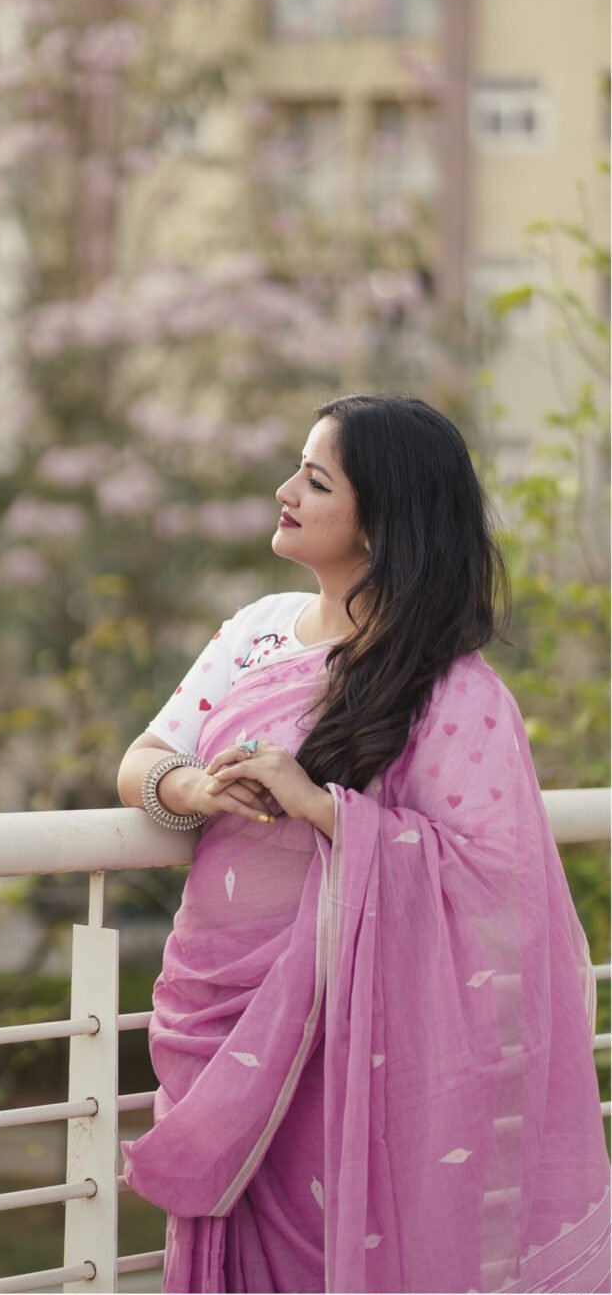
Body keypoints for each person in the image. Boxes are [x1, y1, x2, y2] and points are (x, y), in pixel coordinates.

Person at [115, 393, 610, 1294]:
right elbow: (144, 758)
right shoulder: (256, 632)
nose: (284, 491)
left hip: (349, 1037)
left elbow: (498, 878)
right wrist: (196, 788)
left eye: (315, 481)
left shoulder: (450, 689)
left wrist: (323, 807)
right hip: (216, 1010)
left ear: (380, 523)